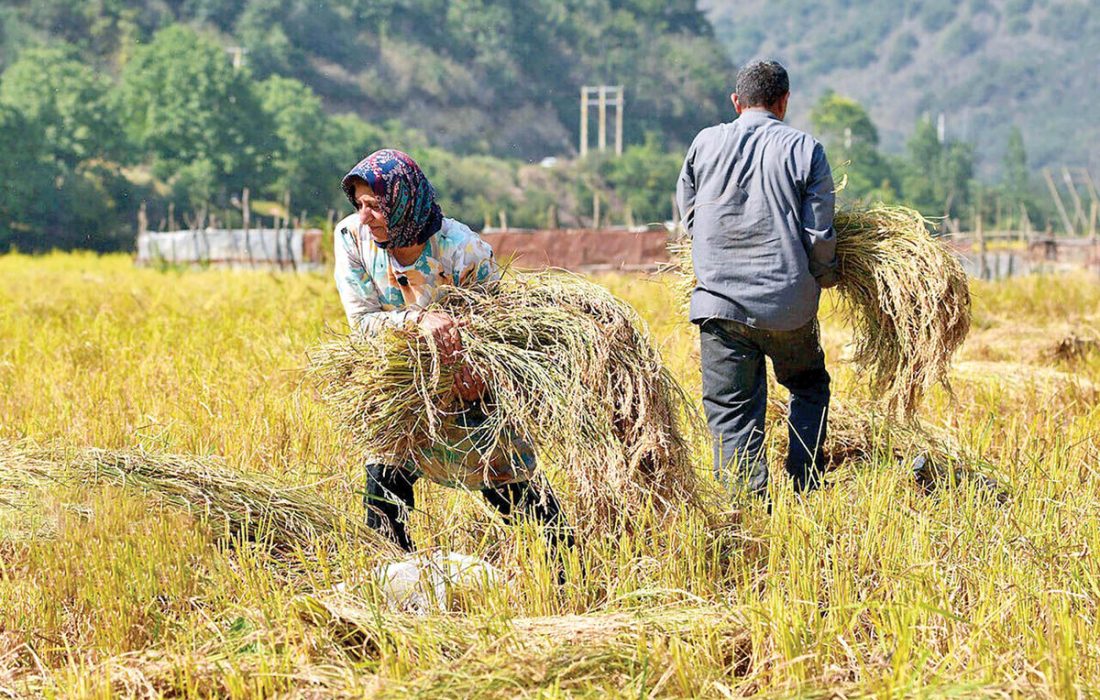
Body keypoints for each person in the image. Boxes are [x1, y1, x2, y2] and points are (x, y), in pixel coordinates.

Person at [334, 148, 572, 552]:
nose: (364, 216)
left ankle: (568, 565)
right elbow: (362, 324)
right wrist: (417, 320)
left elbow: (501, 327)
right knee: (384, 488)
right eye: (359, 205)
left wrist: (478, 370)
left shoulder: (463, 250)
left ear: (403, 201)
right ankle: (395, 584)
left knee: (509, 481)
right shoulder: (352, 238)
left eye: (375, 205)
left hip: (466, 385)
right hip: (402, 385)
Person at [675, 60, 838, 500]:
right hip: (787, 305)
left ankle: (747, 509)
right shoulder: (806, 150)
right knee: (807, 386)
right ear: (784, 102)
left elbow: (689, 216)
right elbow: (819, 233)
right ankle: (805, 483)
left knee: (731, 411)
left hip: (718, 305)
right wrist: (825, 275)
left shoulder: (705, 143)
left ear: (736, 102)